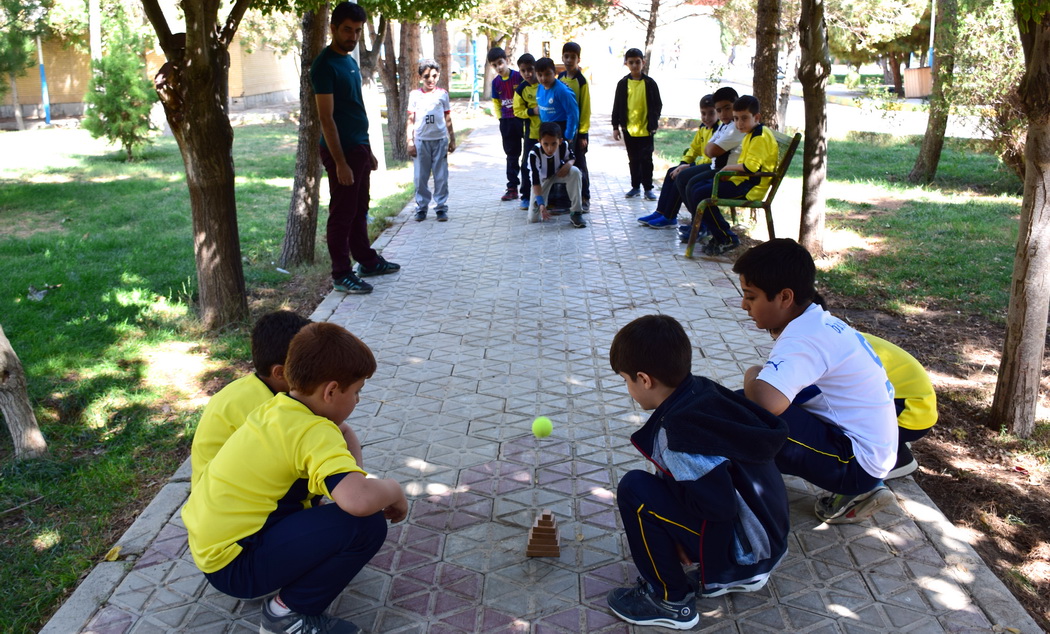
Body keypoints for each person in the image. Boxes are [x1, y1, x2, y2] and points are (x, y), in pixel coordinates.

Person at [183, 322, 408, 634]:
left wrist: (353, 480)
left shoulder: (276, 408)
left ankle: (285, 575)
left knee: (327, 504)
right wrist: (394, 489)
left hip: (215, 550)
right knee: (365, 524)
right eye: (357, 392)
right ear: (331, 391)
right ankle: (286, 616)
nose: (357, 400)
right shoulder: (312, 430)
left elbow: (341, 441)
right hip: (236, 565)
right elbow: (359, 501)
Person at [606, 315, 789, 629]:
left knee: (635, 489)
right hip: (768, 537)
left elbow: (717, 507)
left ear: (644, 379)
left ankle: (669, 600)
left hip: (744, 551)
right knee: (663, 494)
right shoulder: (701, 391)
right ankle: (738, 570)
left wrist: (680, 533)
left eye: (626, 380)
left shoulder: (677, 433)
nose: (628, 388)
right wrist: (672, 526)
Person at [735, 239, 899, 525]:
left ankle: (743, 502)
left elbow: (766, 402)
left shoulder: (805, 336)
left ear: (785, 297)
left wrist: (752, 371)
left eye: (751, 296)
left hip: (857, 464)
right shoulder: (817, 322)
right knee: (735, 406)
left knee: (747, 419)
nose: (743, 305)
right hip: (871, 452)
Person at [310, 2, 400, 295]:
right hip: (341, 152)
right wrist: (341, 162)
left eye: (357, 31)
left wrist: (368, 149)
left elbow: (354, 109)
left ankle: (367, 261)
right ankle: (341, 273)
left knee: (360, 209)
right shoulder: (324, 66)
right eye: (347, 30)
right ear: (333, 28)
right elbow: (326, 118)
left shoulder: (349, 60)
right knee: (342, 213)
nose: (353, 36)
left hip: (358, 148)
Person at [190, 310, 312, 489]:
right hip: (225, 501)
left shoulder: (252, 387)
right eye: (309, 367)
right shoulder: (268, 409)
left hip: (213, 494)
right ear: (279, 373)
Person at [689, 95, 777, 256]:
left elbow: (751, 167)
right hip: (741, 180)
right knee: (697, 188)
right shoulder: (752, 132)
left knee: (700, 194)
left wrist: (728, 168)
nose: (739, 123)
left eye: (744, 118)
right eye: (736, 119)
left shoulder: (759, 136)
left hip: (751, 186)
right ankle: (719, 235)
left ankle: (727, 238)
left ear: (756, 117)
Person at [861, 333, 938, 479]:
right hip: (915, 406)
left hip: (911, 412)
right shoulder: (839, 333)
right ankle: (893, 441)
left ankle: (897, 458)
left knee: (836, 407)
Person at [673, 86, 743, 244]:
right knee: (682, 177)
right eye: (719, 110)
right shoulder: (726, 125)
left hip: (727, 172)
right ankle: (699, 223)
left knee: (695, 188)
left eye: (728, 109)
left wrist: (711, 148)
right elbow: (708, 148)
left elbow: (711, 151)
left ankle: (720, 234)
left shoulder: (735, 128)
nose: (723, 114)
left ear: (736, 106)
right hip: (717, 168)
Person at [638, 94, 717, 231]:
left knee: (682, 176)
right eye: (703, 114)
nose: (706, 118)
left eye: (711, 113)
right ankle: (661, 212)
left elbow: (712, 159)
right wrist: (683, 163)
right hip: (701, 166)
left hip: (710, 168)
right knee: (672, 171)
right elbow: (694, 149)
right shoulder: (703, 128)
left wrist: (689, 166)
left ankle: (670, 217)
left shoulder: (719, 130)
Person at [407, 58, 457, 222]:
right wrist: (410, 141)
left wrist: (452, 138)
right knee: (420, 177)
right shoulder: (415, 95)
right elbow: (411, 120)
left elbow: (447, 116)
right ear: (421, 77)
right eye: (427, 76)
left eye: (434, 76)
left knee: (441, 176)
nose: (431, 80)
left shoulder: (442, 94)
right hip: (422, 141)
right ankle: (421, 208)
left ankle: (441, 207)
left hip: (440, 140)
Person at [611, 48, 662, 200]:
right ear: (626, 63)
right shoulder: (622, 84)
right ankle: (635, 187)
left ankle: (648, 188)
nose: (634, 65)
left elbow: (658, 104)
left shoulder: (650, 83)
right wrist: (616, 127)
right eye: (631, 62)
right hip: (629, 130)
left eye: (637, 62)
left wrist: (653, 121)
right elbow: (617, 106)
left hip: (646, 129)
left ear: (643, 63)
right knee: (633, 159)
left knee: (647, 159)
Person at [526, 122, 586, 228]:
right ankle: (543, 205)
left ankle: (576, 212)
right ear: (539, 141)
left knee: (575, 171)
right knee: (533, 219)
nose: (550, 148)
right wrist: (541, 203)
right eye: (546, 144)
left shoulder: (564, 146)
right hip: (542, 180)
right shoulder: (534, 154)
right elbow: (535, 181)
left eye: (554, 144)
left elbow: (572, 157)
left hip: (559, 173)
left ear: (560, 141)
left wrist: (568, 165)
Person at [487, 47, 524, 202]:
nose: (499, 67)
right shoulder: (495, 83)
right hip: (507, 122)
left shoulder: (518, 77)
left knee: (529, 153)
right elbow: (496, 102)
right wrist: (501, 118)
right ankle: (512, 187)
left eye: (500, 63)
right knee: (511, 155)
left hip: (522, 120)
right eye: (494, 65)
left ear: (507, 61)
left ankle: (530, 186)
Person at [559, 42, 592, 211]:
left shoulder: (582, 81)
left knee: (579, 164)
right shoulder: (560, 78)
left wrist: (583, 133)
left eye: (573, 57)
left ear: (578, 59)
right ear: (562, 57)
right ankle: (567, 199)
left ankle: (585, 196)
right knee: (565, 163)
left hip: (577, 132)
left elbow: (585, 108)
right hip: (563, 130)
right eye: (566, 56)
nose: (569, 60)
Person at [513, 53, 540, 211]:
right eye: (523, 71)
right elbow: (517, 110)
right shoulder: (522, 89)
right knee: (526, 165)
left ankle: (550, 196)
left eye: (530, 69)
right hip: (531, 134)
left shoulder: (545, 83)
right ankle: (525, 195)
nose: (527, 73)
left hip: (550, 134)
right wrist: (531, 112)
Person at [534, 57, 579, 146]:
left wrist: (569, 135)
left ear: (554, 73)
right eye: (540, 75)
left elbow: (573, 113)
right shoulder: (539, 88)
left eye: (547, 74)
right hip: (547, 129)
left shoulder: (562, 91)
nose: (543, 78)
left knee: (563, 158)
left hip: (561, 129)